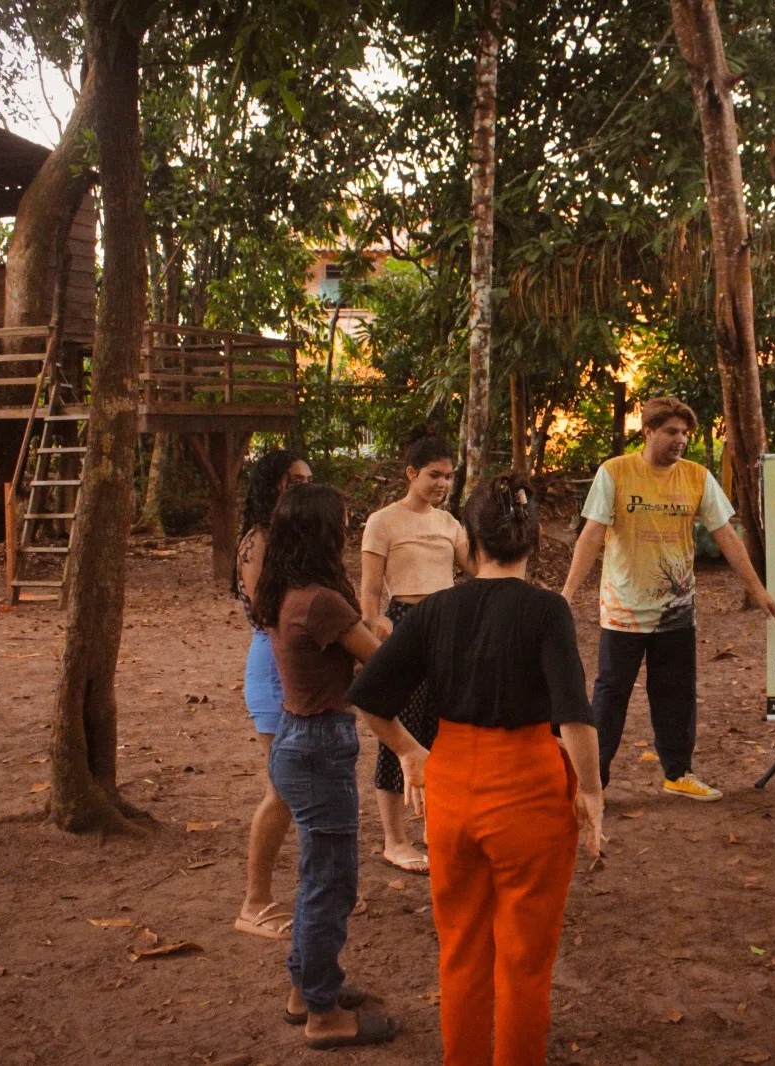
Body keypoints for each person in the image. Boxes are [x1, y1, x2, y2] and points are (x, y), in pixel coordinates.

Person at [348, 475, 605, 1066]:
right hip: (529, 790)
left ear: (472, 542)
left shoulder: (435, 609)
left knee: (460, 950)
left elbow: (369, 694)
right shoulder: (546, 610)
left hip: (452, 787)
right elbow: (574, 715)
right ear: (532, 541)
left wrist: (412, 753)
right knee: (524, 959)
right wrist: (590, 790)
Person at [252, 483, 421, 1050]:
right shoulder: (321, 600)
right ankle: (324, 1016)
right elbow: (381, 662)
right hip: (320, 745)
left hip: (298, 740)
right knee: (331, 884)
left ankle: (306, 989)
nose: (347, 531)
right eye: (342, 523)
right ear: (324, 533)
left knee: (315, 878)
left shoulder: (283, 591)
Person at [561, 396, 775, 801]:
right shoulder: (615, 472)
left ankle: (677, 773)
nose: (680, 440)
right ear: (648, 431)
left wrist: (757, 588)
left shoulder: (697, 477)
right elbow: (591, 534)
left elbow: (726, 536)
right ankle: (593, 781)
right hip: (623, 610)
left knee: (675, 694)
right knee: (610, 696)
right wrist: (568, 593)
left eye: (685, 433)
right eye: (671, 432)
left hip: (676, 612)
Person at [359, 428, 472, 875]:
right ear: (410, 473)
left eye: (448, 476)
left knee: (444, 731)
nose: (443, 484)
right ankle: (395, 839)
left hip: (449, 629)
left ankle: (437, 827)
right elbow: (369, 590)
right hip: (402, 628)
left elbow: (480, 571)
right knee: (399, 735)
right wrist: (375, 629)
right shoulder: (383, 521)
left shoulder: (450, 524)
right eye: (434, 475)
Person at [233, 449, 312, 940]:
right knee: (282, 789)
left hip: (300, 664)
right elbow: (269, 614)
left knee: (310, 786)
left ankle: (318, 889)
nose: (302, 487)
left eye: (308, 480)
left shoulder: (296, 536)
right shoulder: (258, 541)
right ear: (272, 485)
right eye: (292, 480)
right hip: (274, 666)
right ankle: (254, 903)